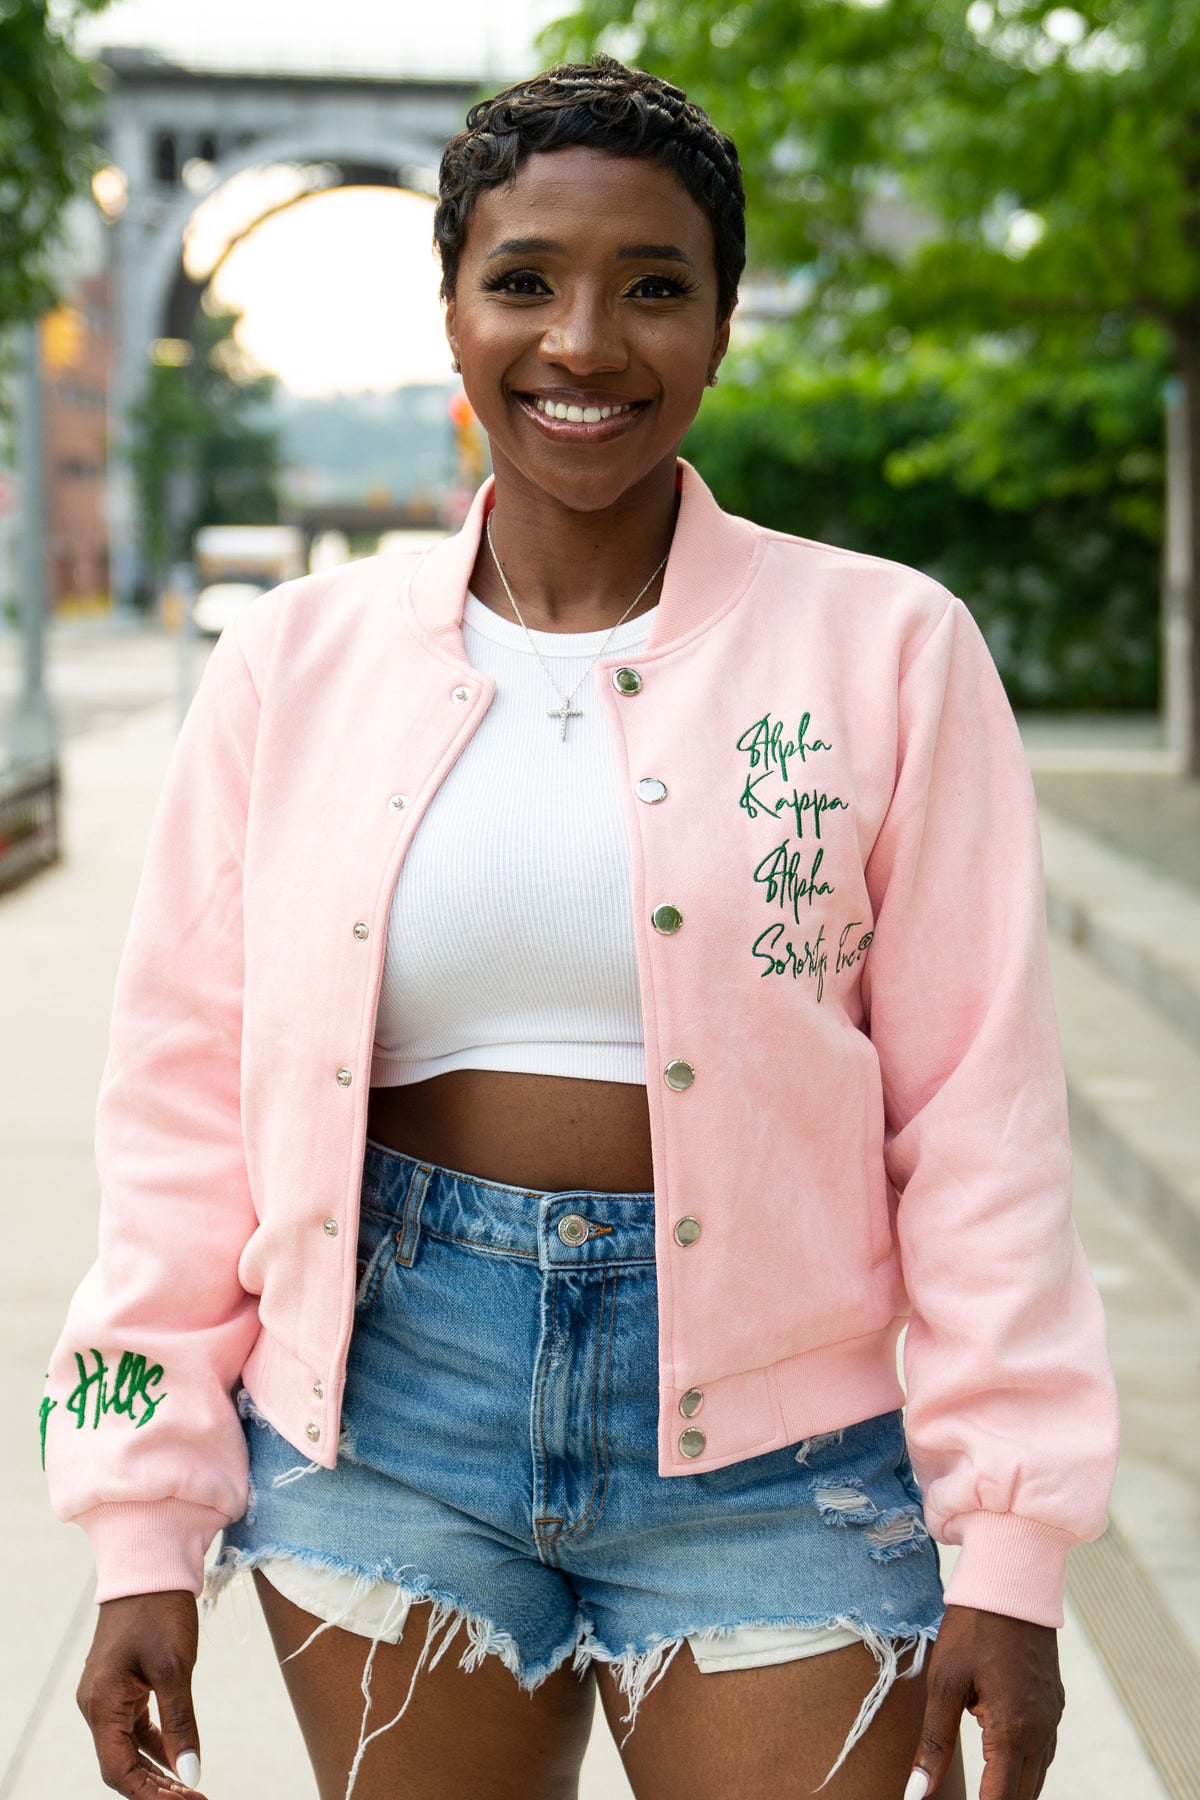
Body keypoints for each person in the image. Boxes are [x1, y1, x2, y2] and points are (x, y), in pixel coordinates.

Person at [43, 57, 1119, 1800]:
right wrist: (140, 1519)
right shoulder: (289, 665)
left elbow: (983, 1126)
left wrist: (1011, 1542)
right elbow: (176, 1108)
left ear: (722, 321)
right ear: (453, 306)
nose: (584, 342)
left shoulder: (893, 649)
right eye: (526, 278)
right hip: (387, 1417)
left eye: (655, 286)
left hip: (787, 1446)